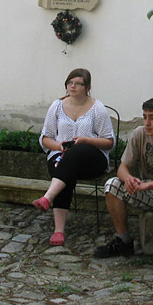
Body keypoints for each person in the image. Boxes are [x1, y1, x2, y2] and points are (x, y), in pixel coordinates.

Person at [93, 98, 153, 270]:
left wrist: (147, 186)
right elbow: (122, 168)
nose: (147, 123)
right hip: (147, 187)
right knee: (112, 185)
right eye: (145, 117)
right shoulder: (139, 133)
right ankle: (123, 239)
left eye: (152, 118)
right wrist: (128, 179)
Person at [33, 68, 115, 246]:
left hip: (92, 159)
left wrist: (86, 140)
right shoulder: (57, 106)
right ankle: (58, 230)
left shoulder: (97, 109)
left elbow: (109, 142)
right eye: (70, 82)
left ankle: (48, 199)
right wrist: (59, 146)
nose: (73, 86)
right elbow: (45, 138)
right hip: (61, 156)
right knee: (66, 167)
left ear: (87, 87)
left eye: (78, 84)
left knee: (75, 153)